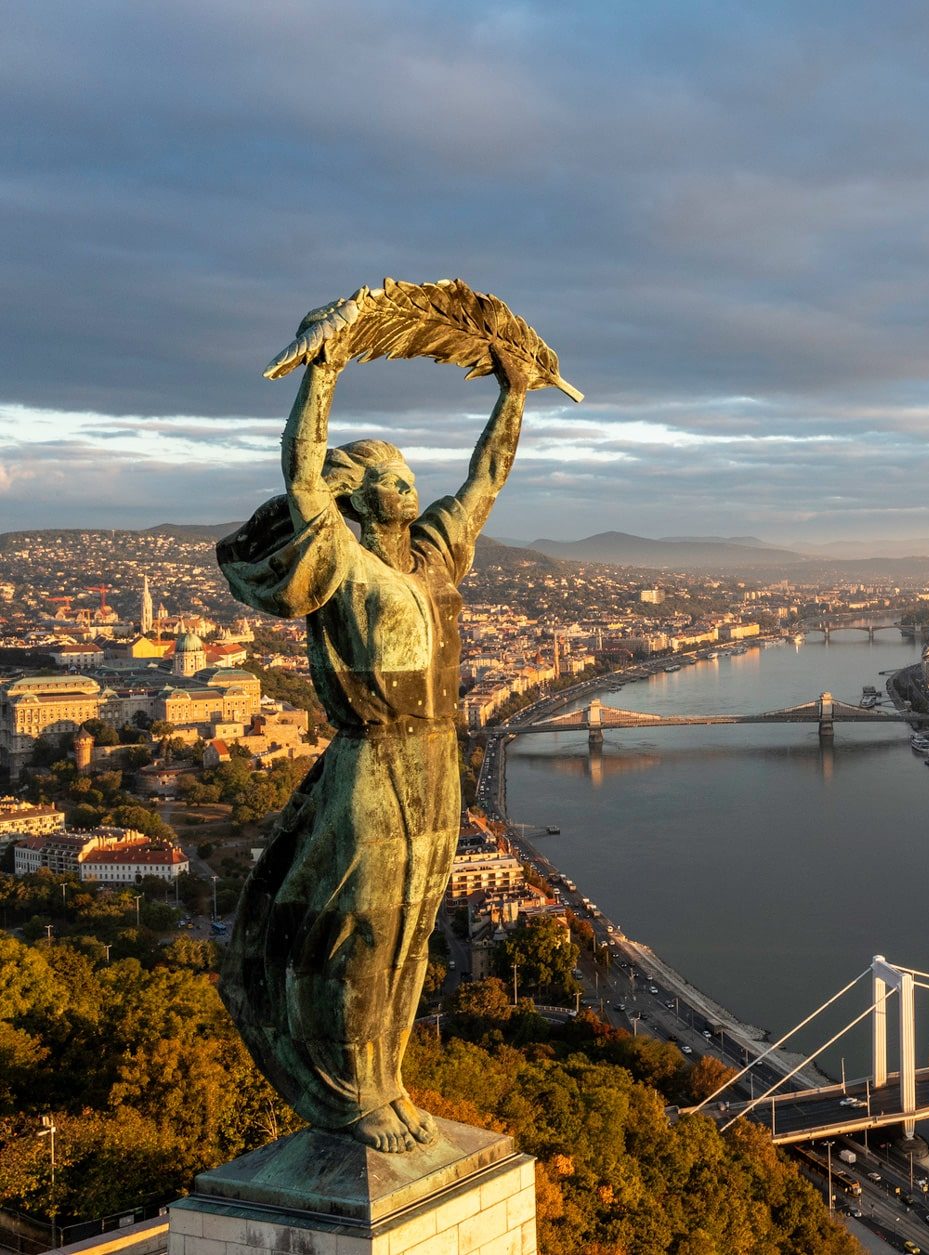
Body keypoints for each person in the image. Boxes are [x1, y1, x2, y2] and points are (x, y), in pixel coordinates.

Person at [215, 326, 533, 1152]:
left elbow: (486, 477)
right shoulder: (341, 564)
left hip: (438, 759)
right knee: (362, 930)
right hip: (373, 758)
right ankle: (350, 1092)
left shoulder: (433, 558)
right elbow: (300, 471)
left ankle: (385, 1082)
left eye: (408, 476)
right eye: (389, 476)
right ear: (359, 494)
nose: (406, 485)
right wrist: (323, 369)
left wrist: (515, 392)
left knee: (414, 933)